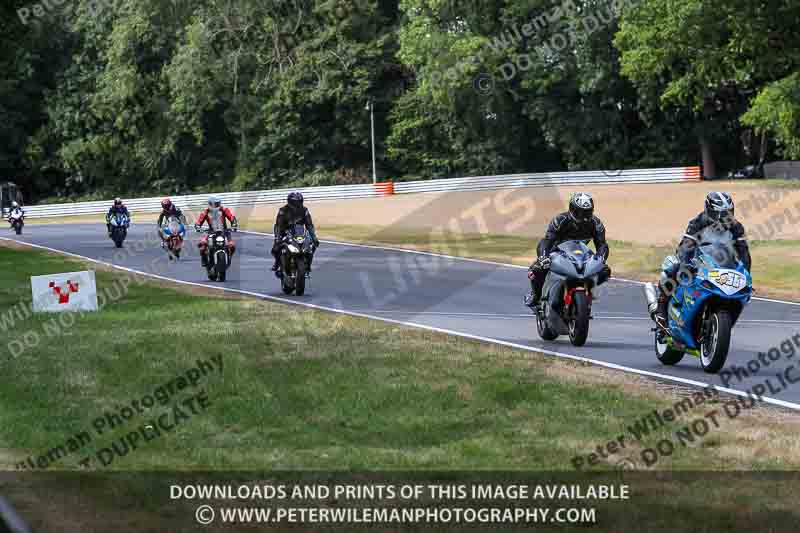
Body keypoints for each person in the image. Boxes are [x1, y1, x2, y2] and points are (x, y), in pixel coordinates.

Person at [651, 191, 751, 325]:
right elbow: (685, 247)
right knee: (672, 268)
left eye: (727, 213)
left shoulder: (736, 227)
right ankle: (661, 308)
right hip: (697, 260)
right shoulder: (698, 223)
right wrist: (685, 264)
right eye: (719, 214)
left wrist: (746, 274)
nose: (723, 218)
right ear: (709, 211)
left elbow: (744, 252)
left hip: (724, 264)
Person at [524, 192, 611, 308]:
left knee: (605, 271)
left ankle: (588, 290)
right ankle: (536, 296)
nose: (583, 216)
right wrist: (543, 256)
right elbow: (546, 241)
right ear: (571, 209)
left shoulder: (596, 223)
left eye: (587, 212)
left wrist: (601, 258)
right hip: (557, 254)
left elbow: (602, 245)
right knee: (536, 269)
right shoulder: (560, 220)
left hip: (582, 255)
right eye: (579, 212)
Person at [271, 192, 320, 274]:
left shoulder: (304, 210)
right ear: (290, 202)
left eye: (300, 202)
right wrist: (277, 237)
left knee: (313, 245)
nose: (298, 204)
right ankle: (277, 263)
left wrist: (314, 237)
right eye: (296, 202)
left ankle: (307, 265)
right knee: (275, 249)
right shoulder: (283, 210)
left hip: (299, 232)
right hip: (284, 231)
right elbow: (278, 225)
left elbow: (309, 224)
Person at [195, 196, 238, 267]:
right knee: (202, 244)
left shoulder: (224, 209)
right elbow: (199, 221)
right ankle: (204, 259)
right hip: (211, 232)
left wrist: (234, 224)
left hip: (224, 231)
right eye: (214, 204)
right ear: (210, 204)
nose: (216, 205)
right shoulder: (205, 212)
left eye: (217, 203)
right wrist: (198, 227)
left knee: (232, 245)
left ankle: (229, 257)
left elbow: (232, 217)